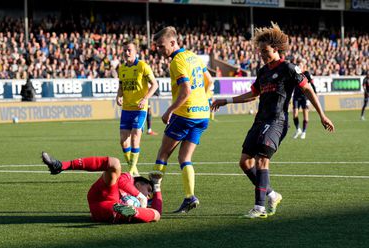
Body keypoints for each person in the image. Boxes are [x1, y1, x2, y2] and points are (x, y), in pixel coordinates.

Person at [211, 22, 334, 219]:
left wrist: (322, 115)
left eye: (264, 51)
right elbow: (252, 94)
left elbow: (308, 89)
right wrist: (226, 100)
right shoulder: (263, 71)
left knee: (262, 160)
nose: (261, 54)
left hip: (277, 121)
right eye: (260, 51)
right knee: (244, 162)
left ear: (275, 49)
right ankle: (272, 194)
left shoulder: (288, 68)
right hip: (260, 121)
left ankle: (259, 208)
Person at [151, 26, 213, 213]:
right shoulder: (194, 56)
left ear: (172, 42)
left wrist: (169, 110)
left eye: (162, 46)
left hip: (185, 115)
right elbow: (209, 79)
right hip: (202, 115)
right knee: (184, 157)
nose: (160, 50)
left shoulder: (176, 62)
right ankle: (189, 196)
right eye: (157, 47)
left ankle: (153, 198)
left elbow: (185, 90)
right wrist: (204, 99)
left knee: (163, 154)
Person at [41, 152, 163, 224]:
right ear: (139, 184)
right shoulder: (129, 179)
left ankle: (132, 212)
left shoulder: (144, 201)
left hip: (111, 208)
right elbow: (120, 180)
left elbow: (158, 212)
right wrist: (139, 195)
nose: (148, 195)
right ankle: (61, 165)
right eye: (148, 190)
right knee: (114, 163)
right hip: (102, 196)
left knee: (156, 215)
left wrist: (156, 186)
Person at [116, 41, 159, 176]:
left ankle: (131, 170)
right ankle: (133, 168)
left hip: (140, 108)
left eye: (129, 50)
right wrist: (118, 96)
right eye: (125, 51)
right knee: (123, 141)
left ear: (136, 51)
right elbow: (121, 86)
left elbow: (155, 85)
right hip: (126, 109)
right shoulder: (122, 68)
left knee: (135, 137)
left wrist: (145, 98)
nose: (127, 53)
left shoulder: (142, 66)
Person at [292, 58, 317, 139]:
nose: (298, 66)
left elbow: (312, 85)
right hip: (296, 96)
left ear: (303, 66)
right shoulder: (295, 73)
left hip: (304, 97)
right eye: (298, 64)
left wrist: (314, 95)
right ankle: (298, 129)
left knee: (305, 115)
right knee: (294, 114)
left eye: (300, 64)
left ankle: (304, 131)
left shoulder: (307, 74)